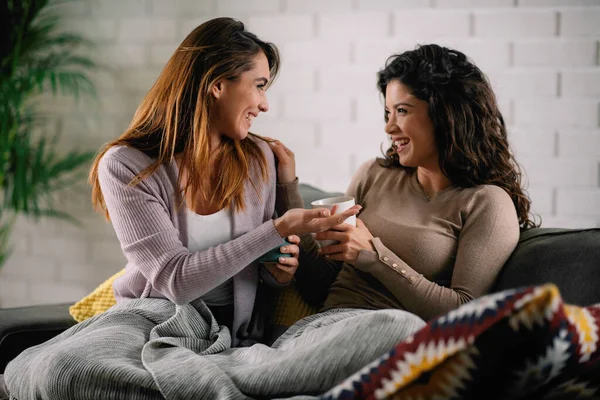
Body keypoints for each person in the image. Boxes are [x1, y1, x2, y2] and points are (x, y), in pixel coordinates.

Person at [2, 17, 361, 400]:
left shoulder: (258, 158)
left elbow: (276, 272)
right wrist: (272, 231)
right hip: (153, 317)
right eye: (259, 86)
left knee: (383, 329)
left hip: (233, 336)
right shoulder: (126, 165)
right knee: (56, 373)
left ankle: (207, 379)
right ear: (217, 85)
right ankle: (218, 382)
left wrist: (278, 269)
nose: (264, 104)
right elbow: (175, 280)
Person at [270, 43, 531, 323]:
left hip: (396, 340)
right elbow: (319, 283)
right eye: (388, 113)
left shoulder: (486, 202)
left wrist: (374, 255)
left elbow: (463, 316)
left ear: (446, 115)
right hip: (324, 326)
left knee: (396, 326)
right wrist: (286, 184)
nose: (389, 127)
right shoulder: (374, 174)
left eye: (402, 111)